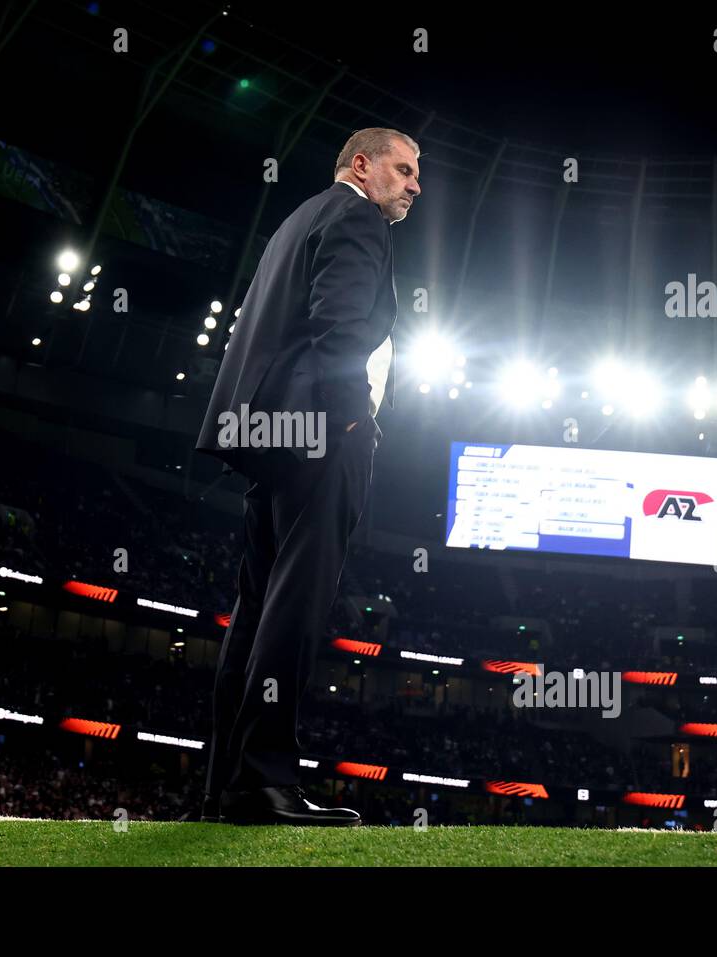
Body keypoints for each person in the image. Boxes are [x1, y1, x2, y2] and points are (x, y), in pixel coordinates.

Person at [195, 128, 421, 825]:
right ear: (363, 165)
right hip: (320, 432)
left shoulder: (300, 217)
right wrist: (353, 419)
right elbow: (340, 328)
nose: (415, 185)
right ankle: (264, 778)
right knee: (295, 601)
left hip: (267, 433)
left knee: (258, 606)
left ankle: (226, 787)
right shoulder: (356, 217)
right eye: (404, 169)